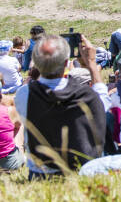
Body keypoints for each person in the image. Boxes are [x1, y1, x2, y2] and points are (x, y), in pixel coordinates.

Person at [14, 34, 108, 177]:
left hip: (41, 174)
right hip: (82, 171)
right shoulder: (87, 95)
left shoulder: (24, 95)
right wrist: (91, 64)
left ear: (36, 64)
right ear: (66, 64)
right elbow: (104, 104)